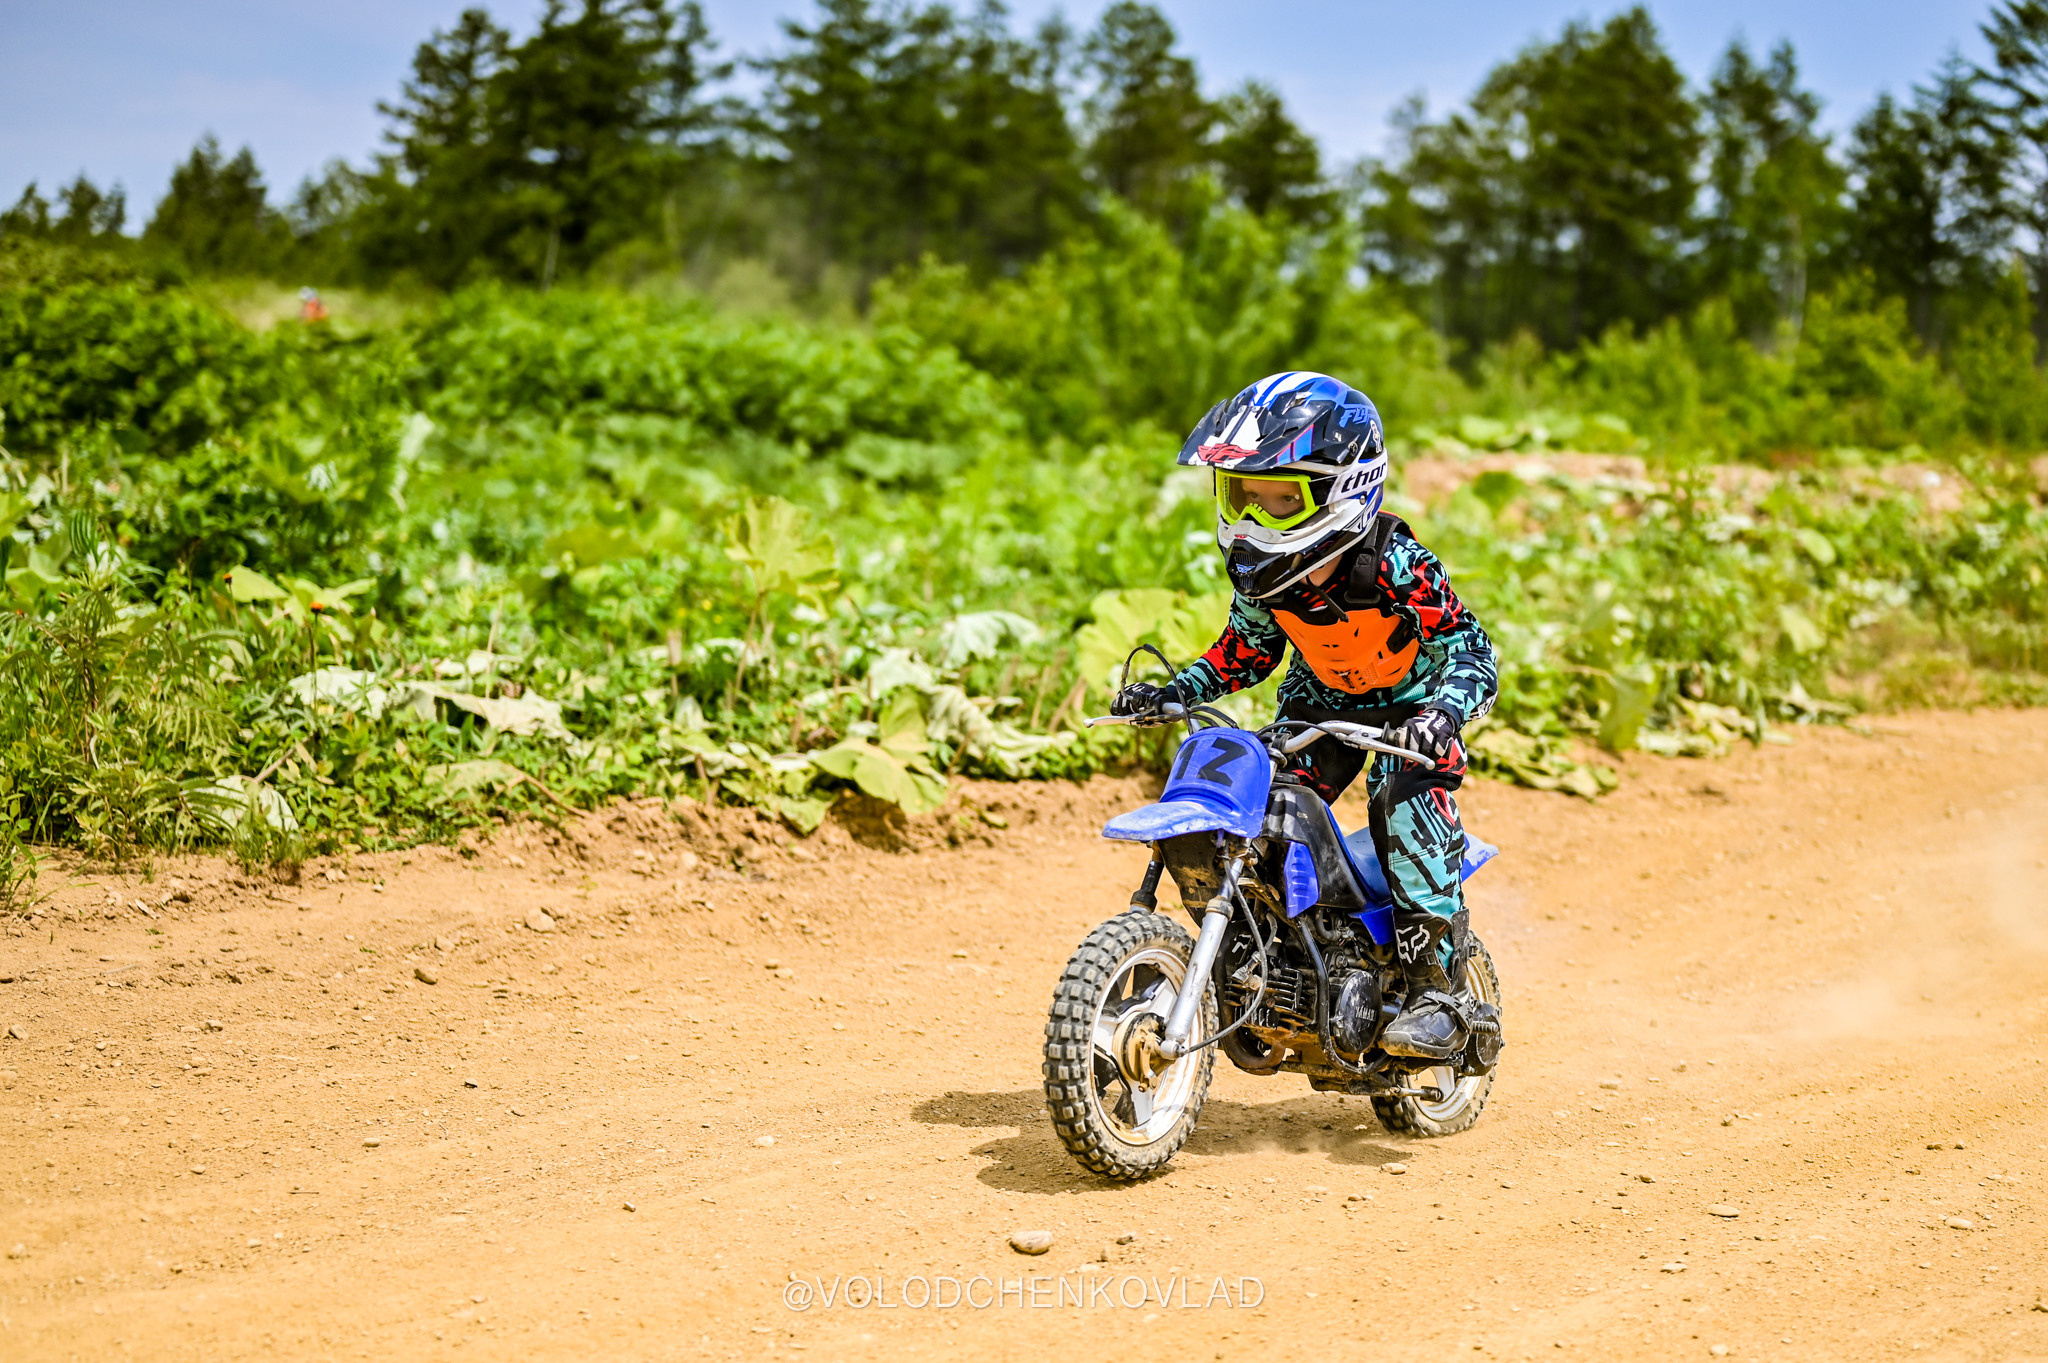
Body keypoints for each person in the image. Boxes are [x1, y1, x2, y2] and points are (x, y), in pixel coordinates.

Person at [1112, 371, 1499, 1061]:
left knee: (1402, 803)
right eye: (1243, 497)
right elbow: (1246, 652)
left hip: (1412, 713)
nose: (1255, 521)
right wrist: (1176, 690)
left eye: (1282, 499)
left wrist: (1443, 713)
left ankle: (1436, 994)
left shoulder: (1397, 564)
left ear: (1344, 491)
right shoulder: (1268, 578)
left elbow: (1470, 649)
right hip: (1320, 703)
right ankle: (1280, 954)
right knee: (1267, 805)